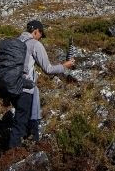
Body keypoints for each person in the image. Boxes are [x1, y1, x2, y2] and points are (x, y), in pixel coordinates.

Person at [8, 19, 75, 149]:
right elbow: (48, 69)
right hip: (25, 89)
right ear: (36, 31)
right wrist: (64, 66)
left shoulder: (15, 42)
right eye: (40, 34)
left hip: (12, 88)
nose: (40, 38)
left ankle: (25, 150)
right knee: (20, 124)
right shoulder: (34, 44)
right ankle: (10, 158)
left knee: (20, 119)